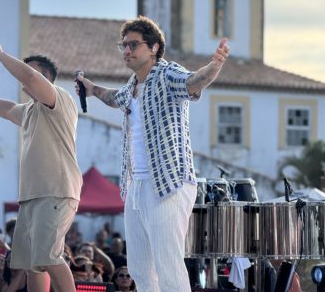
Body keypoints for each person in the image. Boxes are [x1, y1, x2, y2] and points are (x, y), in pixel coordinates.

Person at [75, 15, 230, 292]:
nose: (127, 51)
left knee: (167, 264)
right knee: (139, 267)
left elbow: (193, 82)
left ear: (154, 48)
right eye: (123, 45)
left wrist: (215, 65)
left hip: (169, 182)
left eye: (134, 45)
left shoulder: (167, 74)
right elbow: (114, 98)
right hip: (137, 184)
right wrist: (91, 88)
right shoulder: (132, 85)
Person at [0, 35, 83, 292]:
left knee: (48, 257)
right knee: (34, 264)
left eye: (31, 69)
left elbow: (30, 78)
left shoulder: (59, 98)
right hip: (32, 196)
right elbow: (6, 109)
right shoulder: (30, 109)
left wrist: (2, 56)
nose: (25, 76)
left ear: (46, 76)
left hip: (56, 190)